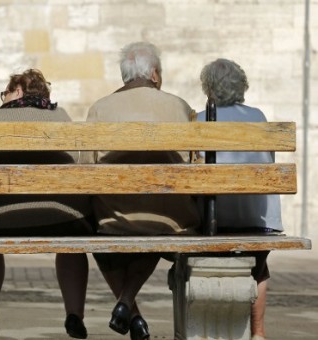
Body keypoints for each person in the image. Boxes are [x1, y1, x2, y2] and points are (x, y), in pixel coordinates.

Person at [83, 42, 200, 340]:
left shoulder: (100, 108)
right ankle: (126, 305)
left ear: (124, 76)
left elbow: (84, 170)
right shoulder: (180, 107)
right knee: (157, 222)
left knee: (101, 238)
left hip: (114, 218)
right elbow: (195, 163)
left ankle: (130, 310)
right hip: (170, 219)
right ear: (155, 74)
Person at [0, 69, 95, 339]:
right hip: (62, 218)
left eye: (7, 92)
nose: (4, 98)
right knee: (72, 245)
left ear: (19, 92)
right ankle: (74, 314)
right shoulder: (63, 119)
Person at [197, 58, 282, 340]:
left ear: (208, 87)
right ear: (241, 86)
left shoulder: (198, 119)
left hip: (211, 222)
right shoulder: (257, 117)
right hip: (258, 221)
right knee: (258, 267)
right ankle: (258, 333)